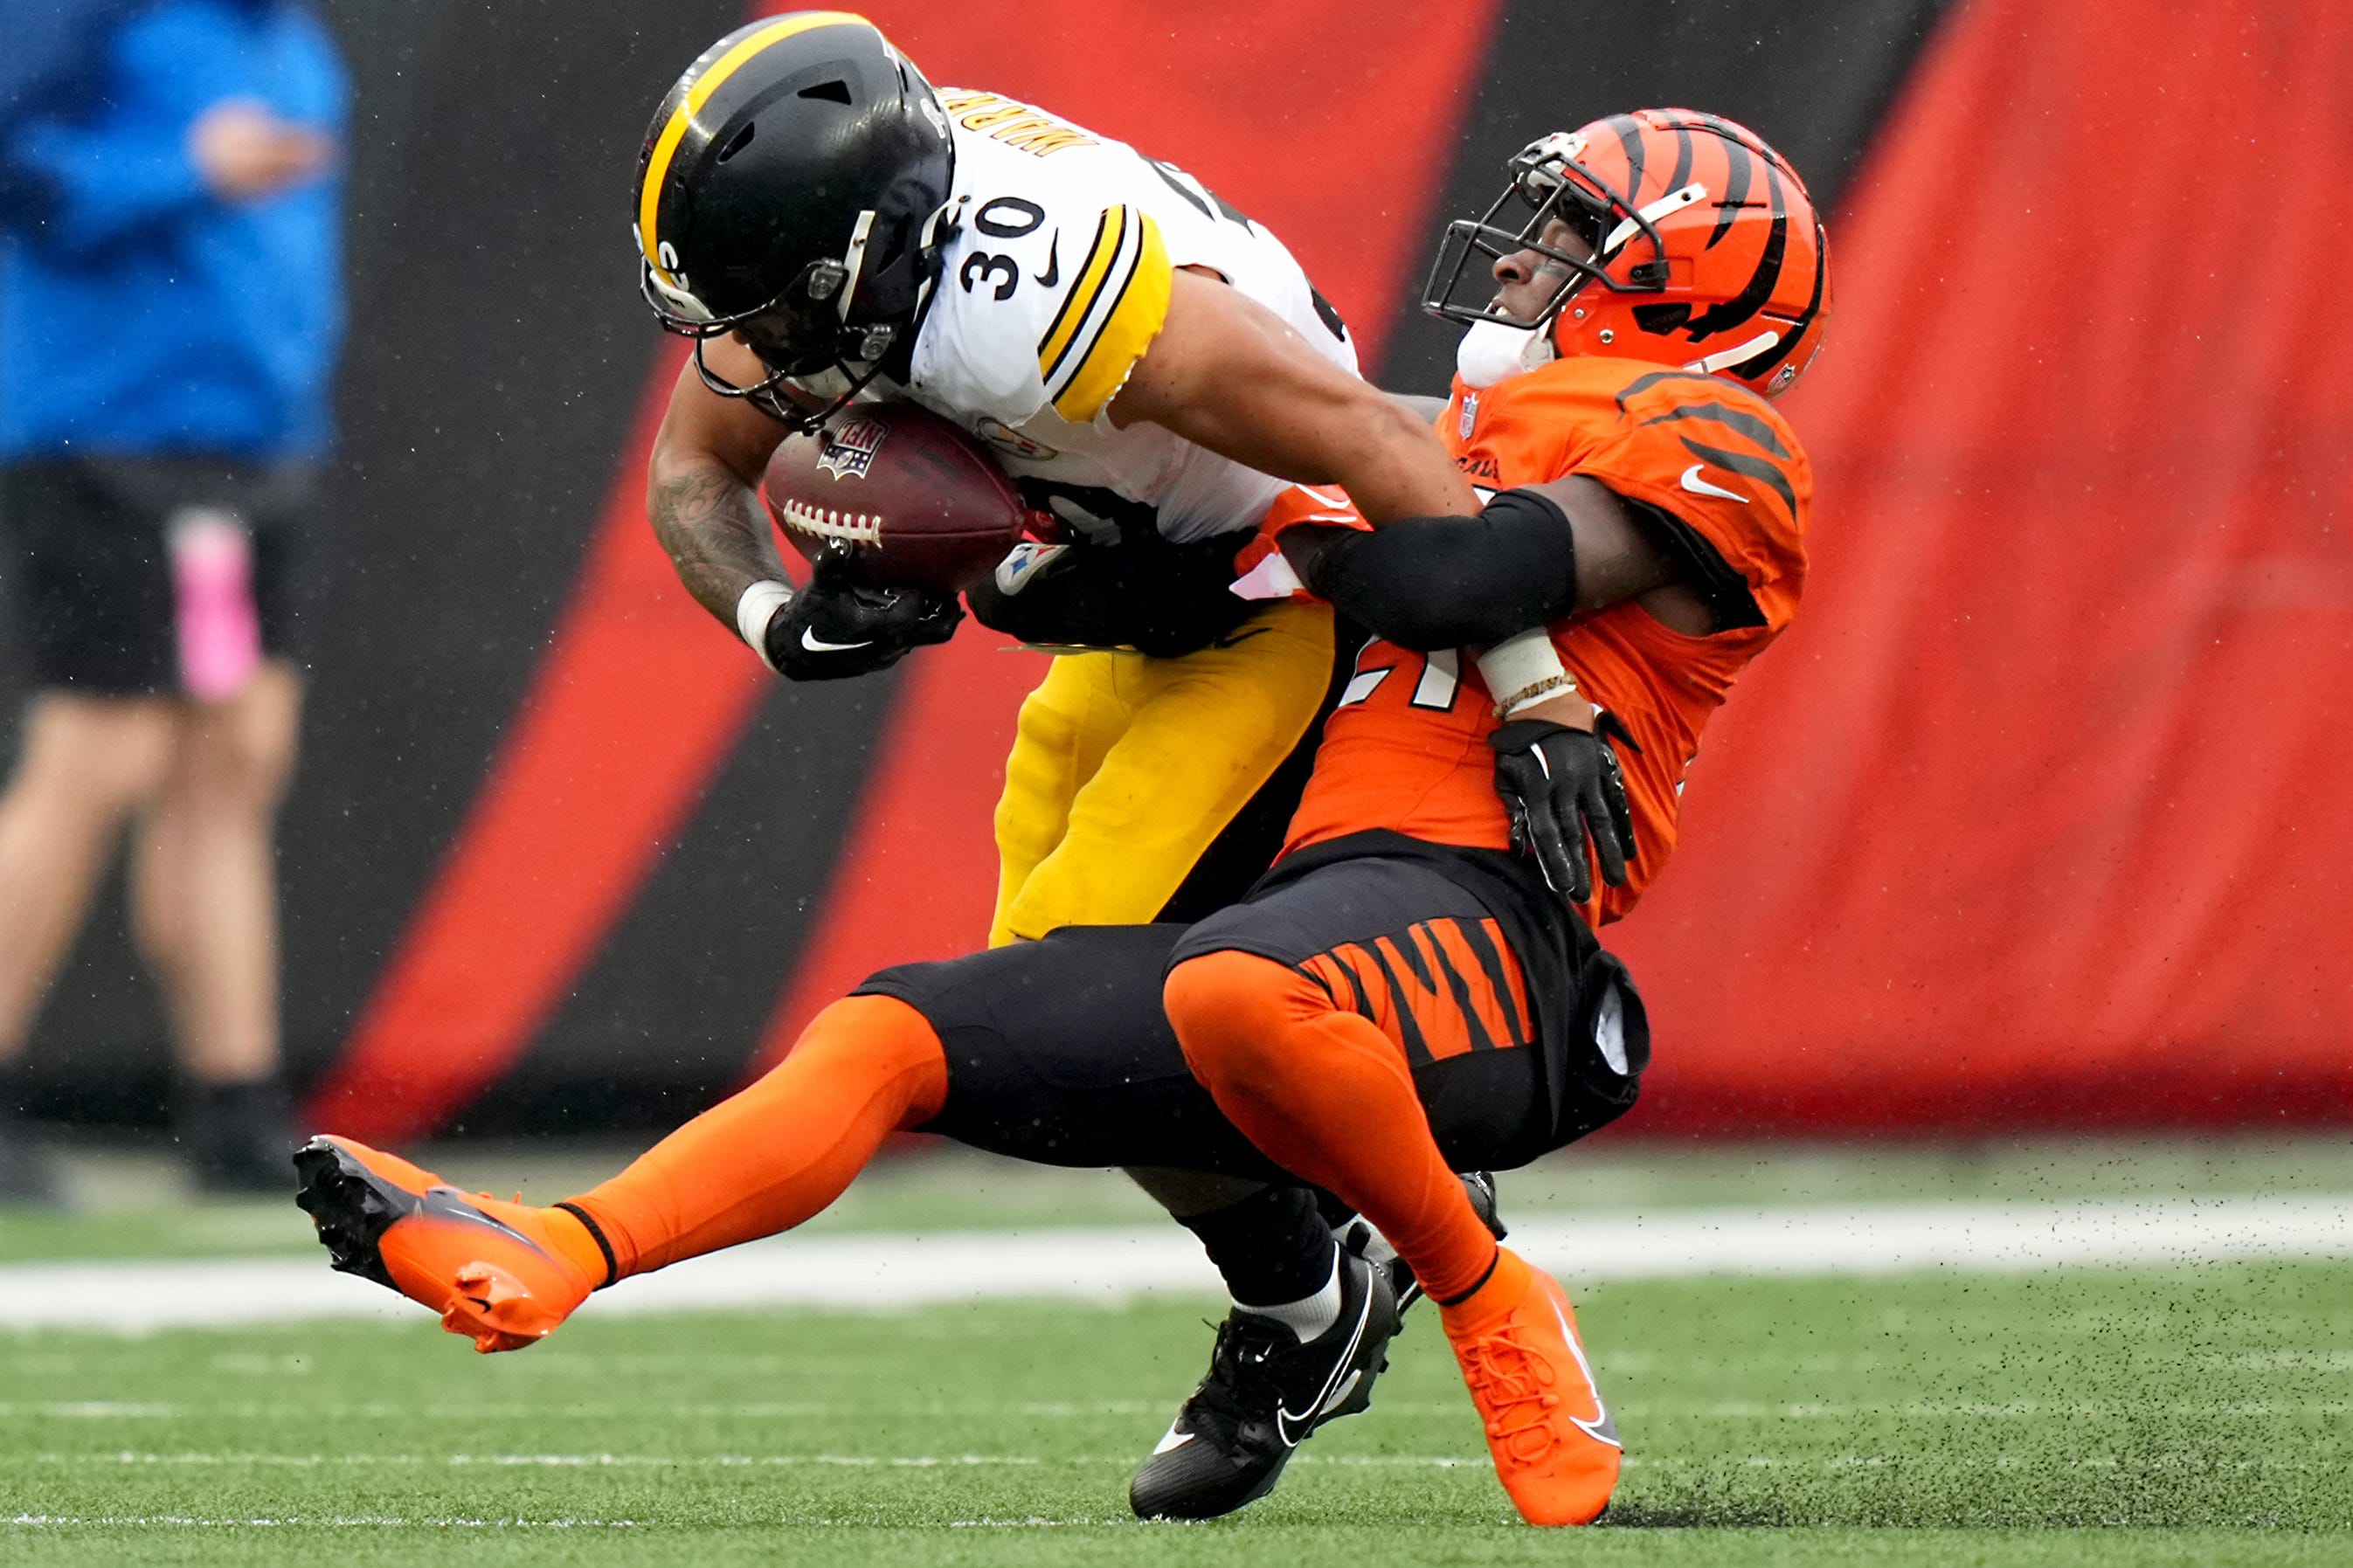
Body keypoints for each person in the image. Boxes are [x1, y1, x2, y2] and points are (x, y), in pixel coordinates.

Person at [294, 108, 1829, 1529]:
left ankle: (1477, 1286)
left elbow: (1453, 569)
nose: (1510, 253)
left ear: (1679, 291)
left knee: (1217, 989)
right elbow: (1354, 490)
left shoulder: (1722, 442)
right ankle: (556, 1251)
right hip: (1336, 900)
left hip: (1495, 936)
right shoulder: (1464, 427)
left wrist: (1302, 550)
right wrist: (1072, 563)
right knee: (902, 1031)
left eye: (1564, 234)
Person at [0, 0, 346, 1198]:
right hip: (111, 437)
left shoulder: (290, 35)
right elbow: (17, 167)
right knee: (98, 755)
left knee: (232, 755)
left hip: (255, 449)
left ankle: (236, 1109)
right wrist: (180, 169)